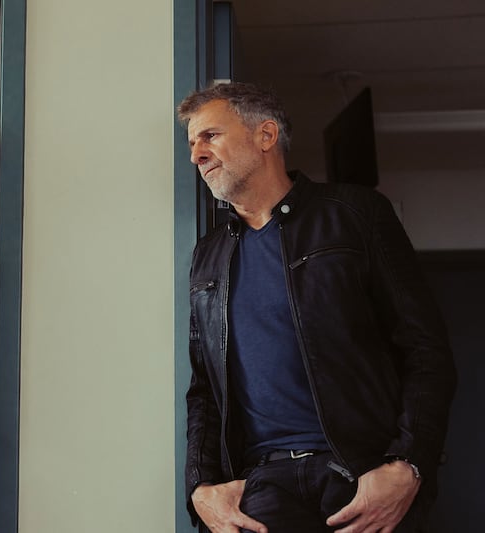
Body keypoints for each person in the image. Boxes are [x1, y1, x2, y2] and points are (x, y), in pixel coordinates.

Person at [177, 82, 456, 533]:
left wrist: (409, 464)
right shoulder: (209, 255)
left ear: (265, 135)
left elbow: (426, 350)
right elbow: (205, 389)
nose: (196, 155)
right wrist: (201, 486)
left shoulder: (355, 214)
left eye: (210, 136)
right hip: (260, 489)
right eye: (192, 143)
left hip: (362, 478)